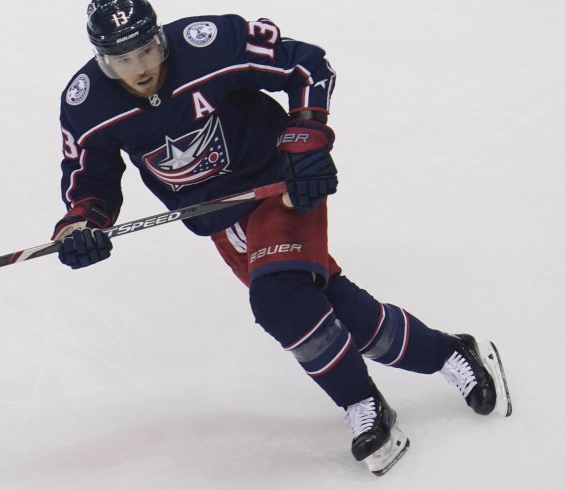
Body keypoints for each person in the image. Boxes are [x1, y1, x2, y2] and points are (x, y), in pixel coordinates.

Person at [50, 0, 512, 476]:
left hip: (280, 186)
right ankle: (449, 352)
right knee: (327, 306)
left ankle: (362, 403)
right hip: (217, 217)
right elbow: (89, 181)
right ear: (103, 59)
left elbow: (306, 65)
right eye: (123, 59)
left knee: (278, 302)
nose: (140, 68)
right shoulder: (86, 104)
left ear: (161, 38)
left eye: (146, 51)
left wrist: (307, 138)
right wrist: (83, 225)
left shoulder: (210, 43)